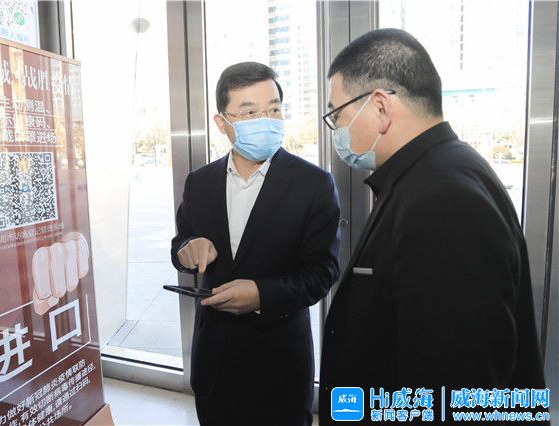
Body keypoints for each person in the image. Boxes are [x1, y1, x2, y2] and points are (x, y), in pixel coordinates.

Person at [319, 29, 548, 424]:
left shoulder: (443, 200)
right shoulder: (435, 172)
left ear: (380, 107)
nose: (337, 129)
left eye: (337, 114)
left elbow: (454, 391)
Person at [171, 61, 340, 426]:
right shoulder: (199, 182)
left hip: (279, 364)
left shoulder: (314, 184)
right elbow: (181, 241)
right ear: (222, 123)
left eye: (273, 110)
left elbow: (322, 272)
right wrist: (188, 249)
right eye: (249, 112)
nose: (266, 120)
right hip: (214, 360)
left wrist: (262, 295)